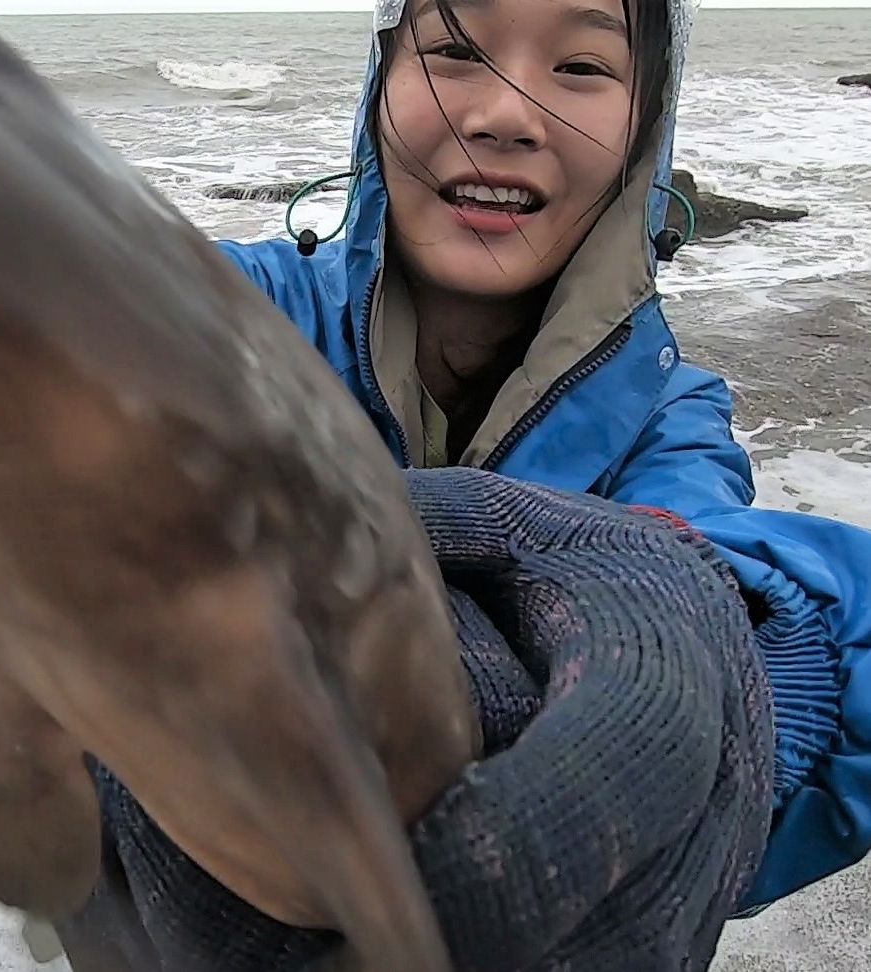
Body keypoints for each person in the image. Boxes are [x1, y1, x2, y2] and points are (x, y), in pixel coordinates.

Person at [55, 0, 871, 967]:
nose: (507, 111)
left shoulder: (669, 412)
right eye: (452, 50)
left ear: (644, 132)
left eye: (581, 65)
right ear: (377, 87)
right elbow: (48, 315)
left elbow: (733, 554)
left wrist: (729, 658)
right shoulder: (238, 312)